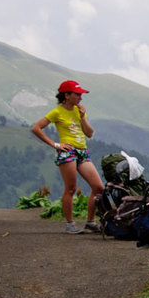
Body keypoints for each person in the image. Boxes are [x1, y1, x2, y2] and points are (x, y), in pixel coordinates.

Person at [29, 80, 105, 234]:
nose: (80, 97)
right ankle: (70, 224)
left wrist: (83, 117)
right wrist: (55, 144)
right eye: (77, 94)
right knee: (70, 188)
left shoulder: (79, 111)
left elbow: (89, 133)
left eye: (81, 94)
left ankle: (90, 222)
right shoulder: (57, 112)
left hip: (82, 150)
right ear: (67, 95)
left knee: (98, 187)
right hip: (67, 151)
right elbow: (36, 128)